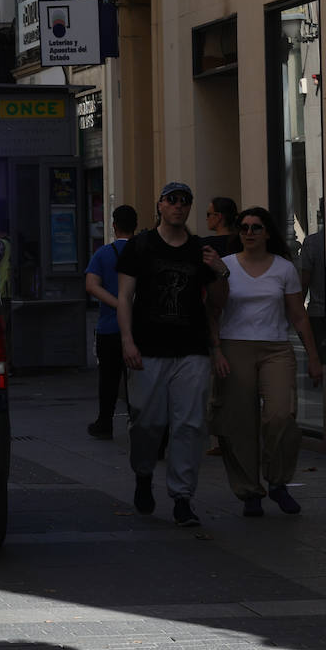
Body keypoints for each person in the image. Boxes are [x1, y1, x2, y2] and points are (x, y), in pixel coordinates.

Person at [116, 181, 228, 528]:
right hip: (148, 349)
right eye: (172, 200)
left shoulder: (200, 250)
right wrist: (127, 341)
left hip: (191, 349)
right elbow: (124, 297)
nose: (179, 206)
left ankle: (182, 497)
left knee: (190, 425)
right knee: (147, 423)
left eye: (185, 201)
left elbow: (218, 304)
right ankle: (144, 474)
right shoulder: (140, 246)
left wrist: (221, 271)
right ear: (160, 206)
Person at [210, 207, 323, 517]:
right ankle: (249, 492)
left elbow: (298, 315)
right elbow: (213, 312)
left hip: (276, 348)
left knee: (281, 415)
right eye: (244, 228)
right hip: (235, 347)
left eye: (256, 227)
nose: (249, 232)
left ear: (267, 233)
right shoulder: (226, 266)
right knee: (239, 423)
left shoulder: (284, 268)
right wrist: (216, 350)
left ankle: (277, 482)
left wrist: (314, 358)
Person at [84, 205, 138, 440]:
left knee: (108, 378)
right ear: (135, 226)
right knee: (136, 379)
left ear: (114, 226)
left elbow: (91, 285)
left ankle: (104, 421)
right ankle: (138, 420)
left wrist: (117, 304)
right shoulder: (142, 252)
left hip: (109, 328)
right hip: (139, 328)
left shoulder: (103, 253)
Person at [297, 199, 326, 367]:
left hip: (318, 312)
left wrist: (298, 310)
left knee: (322, 361)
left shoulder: (313, 242)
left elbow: (304, 280)